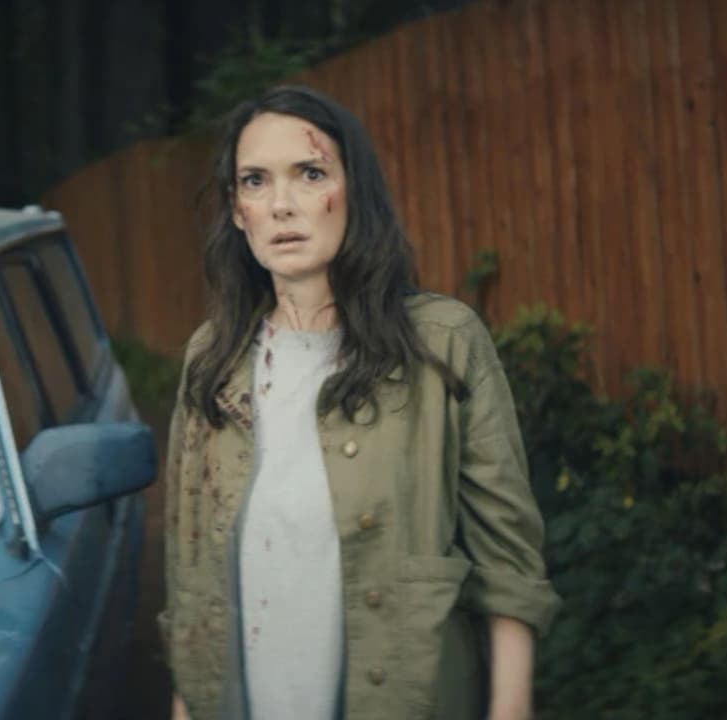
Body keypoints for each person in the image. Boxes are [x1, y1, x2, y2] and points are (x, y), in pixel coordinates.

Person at [158, 85, 561, 720]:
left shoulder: (443, 343)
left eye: (310, 173)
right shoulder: (211, 358)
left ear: (353, 190)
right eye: (256, 181)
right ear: (237, 210)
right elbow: (191, 570)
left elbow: (507, 557)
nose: (282, 204)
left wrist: (510, 709)